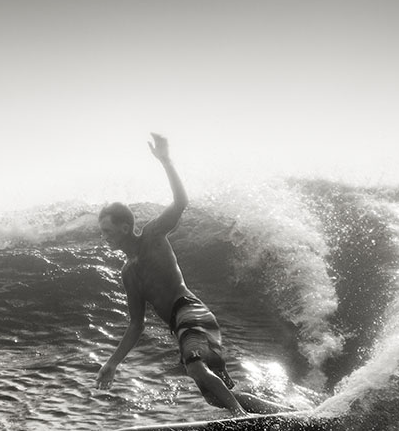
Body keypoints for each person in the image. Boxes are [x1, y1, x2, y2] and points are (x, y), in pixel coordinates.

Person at [95, 134, 286, 416]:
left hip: (190, 311)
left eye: (108, 231)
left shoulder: (153, 235)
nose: (104, 238)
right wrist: (112, 363)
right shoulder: (129, 274)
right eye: (102, 233)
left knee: (197, 368)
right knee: (217, 394)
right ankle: (283, 412)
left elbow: (181, 202)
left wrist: (165, 160)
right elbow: (137, 325)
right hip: (179, 324)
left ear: (125, 227)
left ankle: (241, 419)